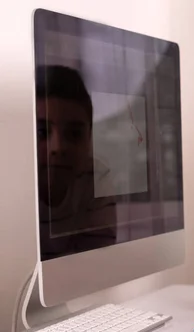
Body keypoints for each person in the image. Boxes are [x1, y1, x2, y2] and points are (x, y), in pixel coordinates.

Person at [35, 65, 117, 259]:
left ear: (89, 139)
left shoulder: (97, 175)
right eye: (41, 132)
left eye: (74, 134)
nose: (58, 147)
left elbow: (97, 259)